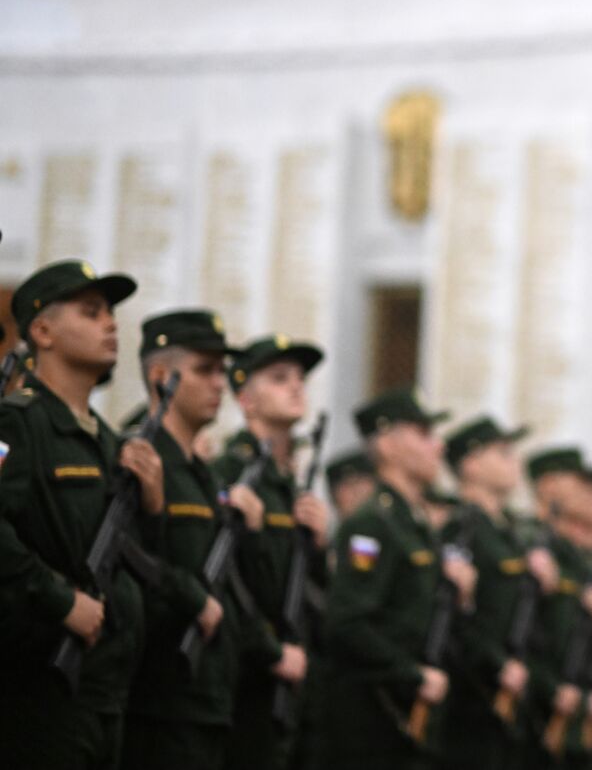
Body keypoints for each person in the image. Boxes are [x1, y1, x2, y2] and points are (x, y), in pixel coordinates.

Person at [0, 260, 163, 770]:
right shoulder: (17, 423)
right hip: (40, 688)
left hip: (106, 690)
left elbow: (130, 558)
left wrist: (153, 504)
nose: (110, 324)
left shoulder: (109, 441)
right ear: (42, 332)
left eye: (111, 314)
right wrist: (59, 600)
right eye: (91, 313)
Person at [120, 309, 274, 769]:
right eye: (205, 370)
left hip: (209, 695)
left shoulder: (205, 477)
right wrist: (192, 599)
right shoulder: (138, 458)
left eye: (222, 372)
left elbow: (239, 590)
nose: (219, 384)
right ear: (160, 376)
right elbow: (128, 559)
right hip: (157, 696)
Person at [316, 387, 475, 770]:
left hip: (409, 713)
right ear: (386, 445)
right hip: (374, 715)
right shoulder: (372, 523)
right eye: (423, 435)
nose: (437, 447)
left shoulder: (414, 523)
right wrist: (412, 674)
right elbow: (347, 624)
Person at [213, 333, 330, 770]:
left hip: (292, 677)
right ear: (246, 398)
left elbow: (307, 592)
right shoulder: (230, 472)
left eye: (300, 378)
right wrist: (271, 651)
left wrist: (318, 548)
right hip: (246, 678)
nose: (297, 386)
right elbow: (227, 582)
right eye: (280, 378)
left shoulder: (289, 485)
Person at [437, 414, 537, 770]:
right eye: (503, 453)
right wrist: (496, 664)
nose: (515, 463)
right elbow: (455, 616)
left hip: (506, 690)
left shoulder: (508, 532)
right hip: (472, 691)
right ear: (472, 464)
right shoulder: (461, 528)